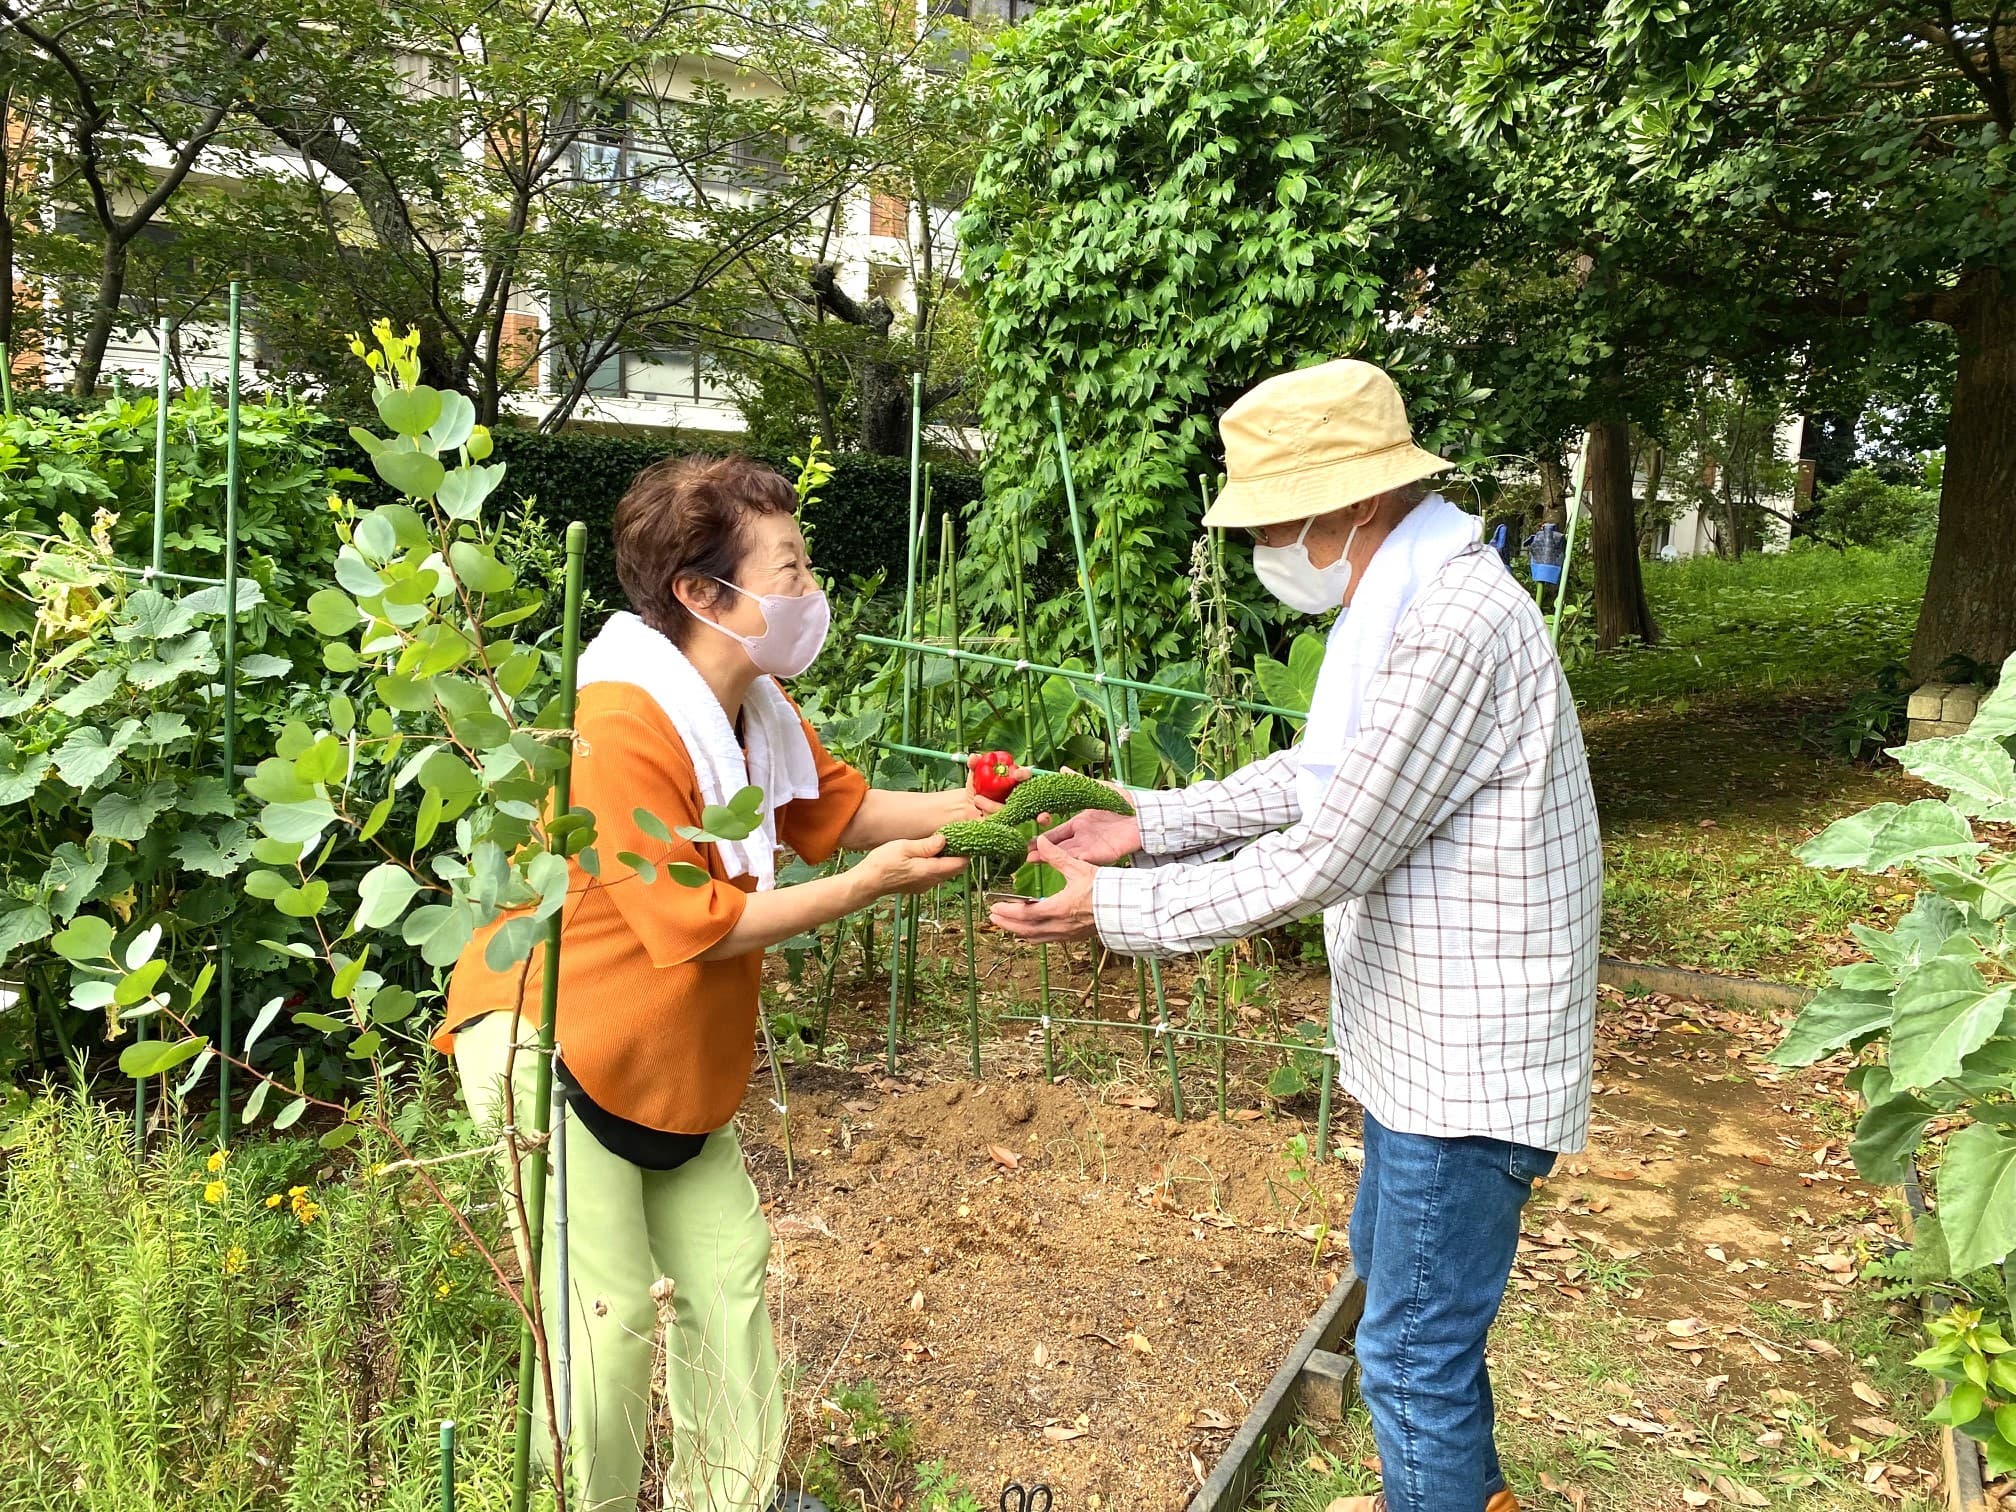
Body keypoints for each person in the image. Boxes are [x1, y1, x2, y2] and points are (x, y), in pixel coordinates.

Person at [991, 360, 1602, 1512]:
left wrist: (1111, 911)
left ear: (1353, 504)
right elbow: (1317, 777)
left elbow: (1331, 852)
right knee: (1398, 1296)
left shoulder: (1453, 623)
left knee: (1412, 1356)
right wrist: (1145, 826)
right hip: (1429, 1042)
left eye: (1276, 517)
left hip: (1467, 1068)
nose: (1267, 541)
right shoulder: (1404, 598)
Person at [433, 455, 1015, 1512]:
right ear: (702, 594)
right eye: (789, 567)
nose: (810, 589)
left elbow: (838, 810)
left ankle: (725, 1501)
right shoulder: (620, 720)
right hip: (549, 1036)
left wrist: (981, 809)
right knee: (606, 1323)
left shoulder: (753, 709)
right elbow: (692, 929)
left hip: (662, 1050)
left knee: (731, 1274)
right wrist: (861, 891)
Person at [1523, 516, 1567, 608]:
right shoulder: (1559, 537)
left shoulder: (1538, 537)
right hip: (1553, 566)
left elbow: (1525, 544)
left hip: (1539, 566)